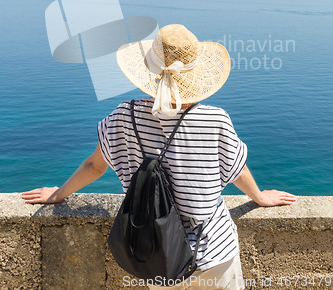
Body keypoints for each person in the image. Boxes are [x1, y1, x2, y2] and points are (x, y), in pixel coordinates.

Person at [22, 24, 297, 289]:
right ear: (196, 76)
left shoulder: (122, 117)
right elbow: (237, 170)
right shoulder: (215, 120)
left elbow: (94, 167)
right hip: (215, 252)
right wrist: (259, 197)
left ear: (149, 72)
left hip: (158, 254)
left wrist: (59, 194)